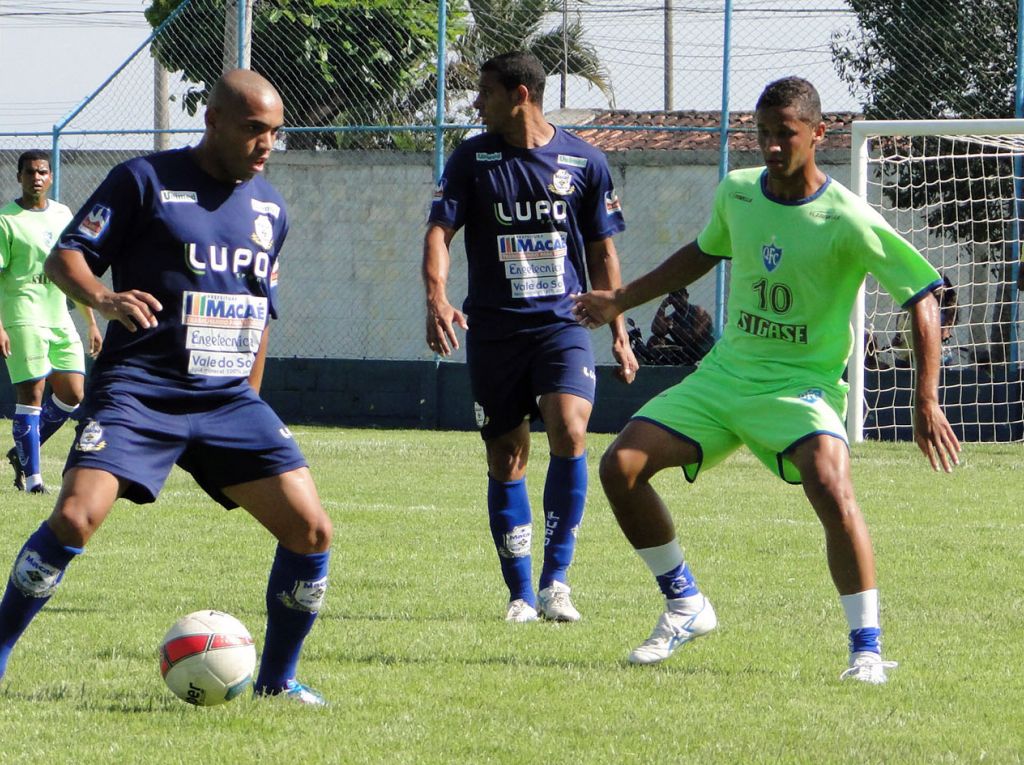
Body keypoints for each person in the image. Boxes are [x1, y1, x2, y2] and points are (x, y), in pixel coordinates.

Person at [572, 77, 960, 683]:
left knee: (831, 486)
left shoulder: (848, 217)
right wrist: (619, 300)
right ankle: (685, 604)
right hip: (727, 375)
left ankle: (866, 650)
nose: (772, 147)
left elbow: (923, 294)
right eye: (764, 134)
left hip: (800, 386)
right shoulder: (738, 192)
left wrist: (926, 397)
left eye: (786, 134)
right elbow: (701, 253)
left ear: (817, 134)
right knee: (619, 466)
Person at [0, 69, 332, 704]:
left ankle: (277, 681)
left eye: (275, 133)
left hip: (227, 398)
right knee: (74, 517)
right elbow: (65, 257)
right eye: (254, 130)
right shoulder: (142, 180)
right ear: (212, 122)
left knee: (311, 531)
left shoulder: (271, 206)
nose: (267, 145)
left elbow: (260, 312)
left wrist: (252, 399)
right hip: (139, 389)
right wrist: (103, 295)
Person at [423, 51, 638, 623]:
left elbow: (601, 251)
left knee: (571, 428)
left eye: (486, 92)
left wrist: (618, 327)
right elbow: (440, 231)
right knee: (508, 455)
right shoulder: (472, 158)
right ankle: (519, 594)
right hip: (494, 329)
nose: (476, 103)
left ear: (521, 94)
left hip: (562, 325)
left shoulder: (585, 161)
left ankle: (556, 582)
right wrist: (437, 298)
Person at [0, 150, 103, 493]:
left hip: (59, 316)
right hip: (22, 315)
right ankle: (34, 481)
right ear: (19, 177)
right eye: (30, 172)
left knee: (72, 394)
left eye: (42, 172)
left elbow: (72, 271)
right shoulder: (6, 220)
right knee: (32, 392)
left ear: (51, 177)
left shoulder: (63, 215)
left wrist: (90, 320)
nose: (37, 178)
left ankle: (22, 453)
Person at [628, 288, 714, 366]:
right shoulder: (673, 317)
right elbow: (656, 331)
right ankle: (645, 359)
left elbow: (693, 338)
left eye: (679, 296)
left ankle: (651, 356)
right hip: (681, 350)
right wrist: (663, 307)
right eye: (673, 296)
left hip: (699, 349)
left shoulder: (698, 311)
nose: (676, 299)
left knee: (686, 349)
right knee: (654, 340)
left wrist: (672, 327)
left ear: (687, 296)